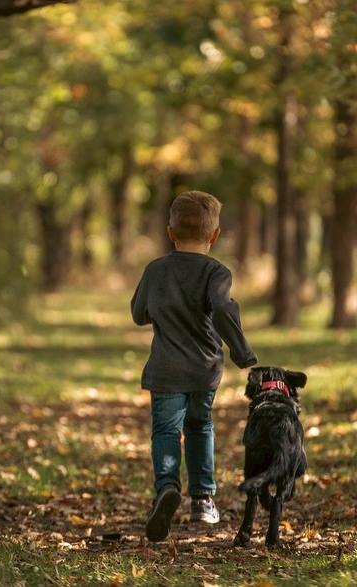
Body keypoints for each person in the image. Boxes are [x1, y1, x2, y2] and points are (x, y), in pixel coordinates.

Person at [130, 190, 258, 542]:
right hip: (204, 370)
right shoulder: (217, 272)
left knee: (166, 431)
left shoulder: (155, 269)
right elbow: (223, 311)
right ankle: (202, 499)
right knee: (200, 426)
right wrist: (244, 353)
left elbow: (138, 313)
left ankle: (167, 488)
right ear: (215, 235)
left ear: (170, 232)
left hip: (165, 370)